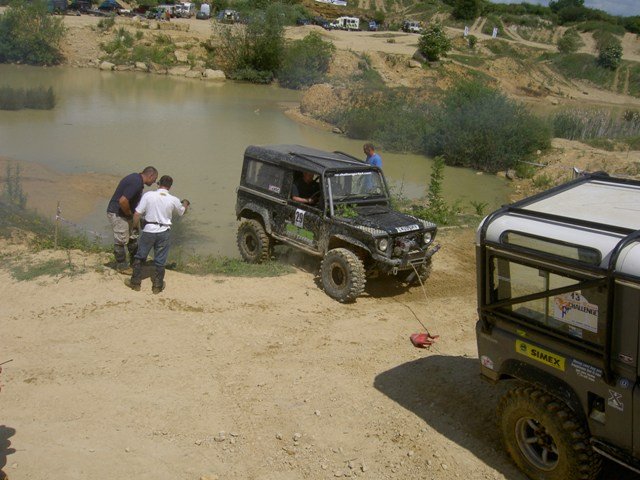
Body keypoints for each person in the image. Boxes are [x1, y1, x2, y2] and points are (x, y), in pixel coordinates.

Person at [126, 175, 189, 294]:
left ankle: (135, 283)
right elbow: (182, 212)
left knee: (140, 256)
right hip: (164, 231)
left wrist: (134, 228)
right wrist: (185, 204)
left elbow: (137, 214)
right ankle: (157, 286)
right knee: (160, 259)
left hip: (149, 230)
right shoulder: (173, 199)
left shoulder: (148, 195)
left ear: (158, 183)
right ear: (170, 187)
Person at [107, 166, 158, 274]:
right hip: (118, 213)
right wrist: (129, 214)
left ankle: (135, 262)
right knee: (121, 240)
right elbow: (123, 201)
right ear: (150, 175)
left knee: (133, 237)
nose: (154, 182)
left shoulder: (136, 179)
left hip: (125, 213)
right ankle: (122, 266)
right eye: (154, 179)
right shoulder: (136, 182)